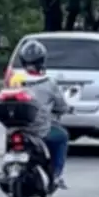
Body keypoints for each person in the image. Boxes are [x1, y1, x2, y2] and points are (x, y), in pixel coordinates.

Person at [7, 40, 70, 189]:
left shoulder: (15, 79)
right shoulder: (48, 82)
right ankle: (56, 175)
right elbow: (61, 106)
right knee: (62, 137)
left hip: (15, 128)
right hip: (40, 130)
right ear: (42, 61)